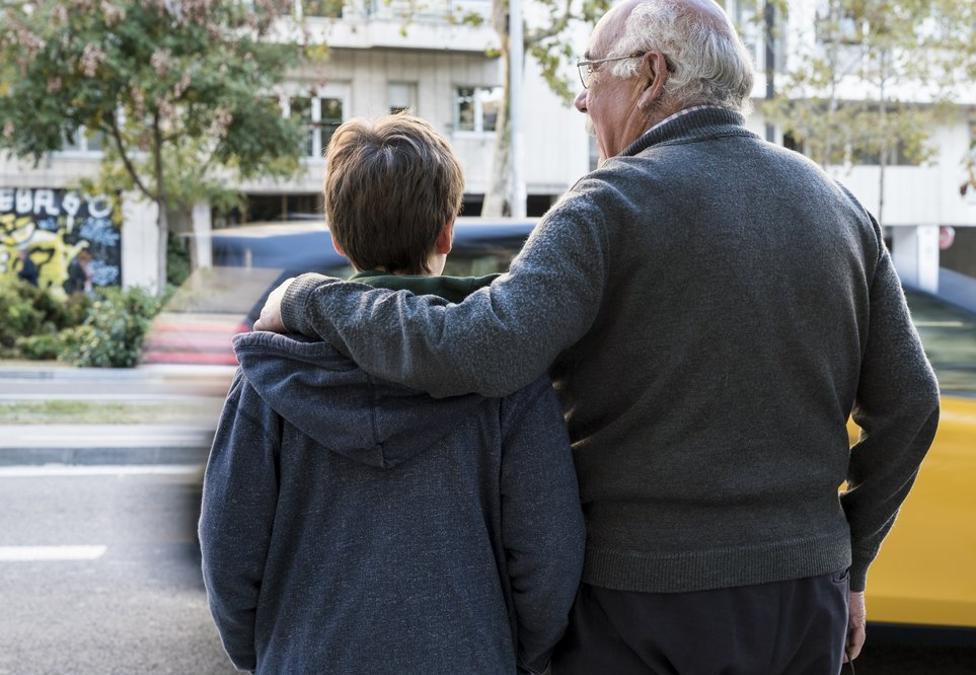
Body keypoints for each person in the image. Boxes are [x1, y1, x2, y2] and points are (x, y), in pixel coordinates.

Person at [255, 0, 940, 672]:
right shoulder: (841, 209)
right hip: (805, 601)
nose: (582, 103)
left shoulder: (608, 205)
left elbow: (480, 348)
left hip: (642, 607)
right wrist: (853, 556)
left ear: (649, 75)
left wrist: (312, 300)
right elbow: (911, 406)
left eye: (591, 73)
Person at [199, 112, 585, 675]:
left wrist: (269, 653)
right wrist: (518, 656)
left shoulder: (271, 375)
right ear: (446, 232)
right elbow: (548, 551)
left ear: (337, 238)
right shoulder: (506, 376)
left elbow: (227, 547)